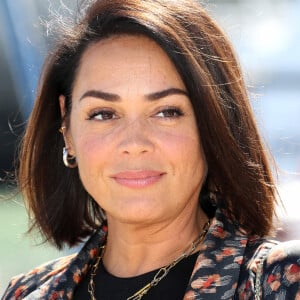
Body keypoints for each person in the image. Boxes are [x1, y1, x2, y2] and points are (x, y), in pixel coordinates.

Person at [2, 0, 300, 299]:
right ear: (67, 128)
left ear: (213, 124)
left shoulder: (284, 283)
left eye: (166, 111)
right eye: (104, 114)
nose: (134, 143)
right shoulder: (25, 293)